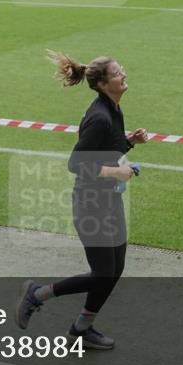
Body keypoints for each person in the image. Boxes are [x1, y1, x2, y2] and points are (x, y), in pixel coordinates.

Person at [15, 52, 148, 349]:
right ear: (102, 84)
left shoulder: (114, 109)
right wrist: (117, 172)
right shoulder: (100, 117)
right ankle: (37, 294)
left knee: (114, 270)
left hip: (109, 202)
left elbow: (104, 150)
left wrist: (129, 142)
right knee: (103, 275)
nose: (123, 74)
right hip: (91, 204)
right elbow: (76, 163)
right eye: (117, 73)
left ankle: (81, 329)